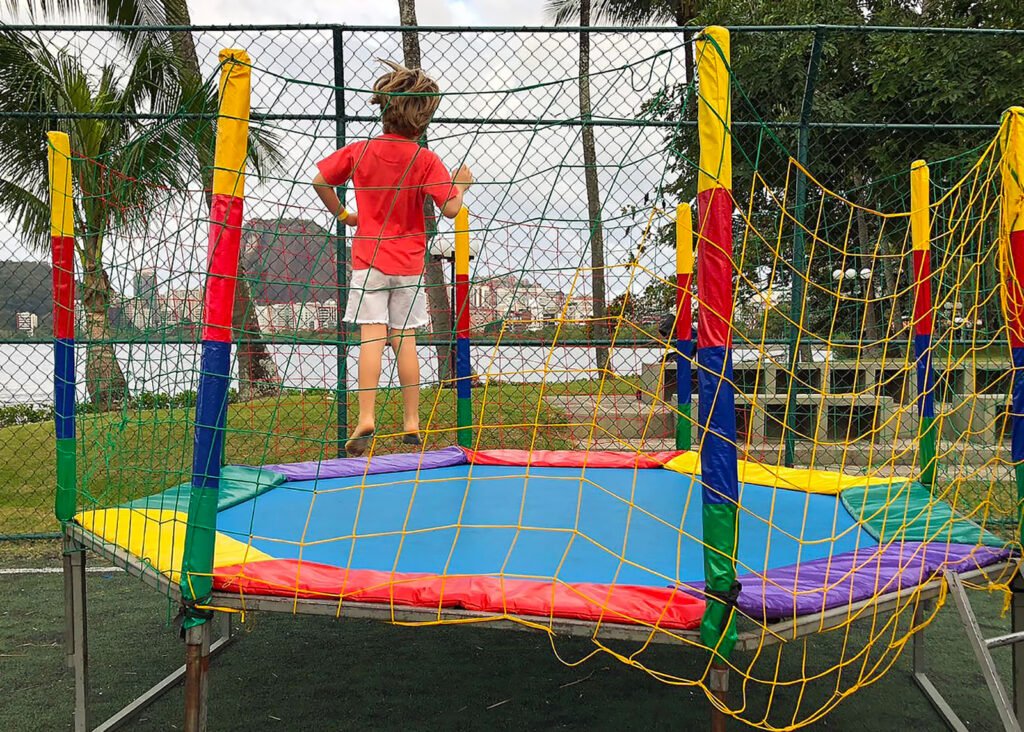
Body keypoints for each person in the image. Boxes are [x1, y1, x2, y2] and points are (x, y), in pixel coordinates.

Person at [313, 59, 473, 457]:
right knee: (405, 340)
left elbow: (320, 181)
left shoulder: (361, 150)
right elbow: (451, 209)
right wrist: (461, 184)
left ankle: (366, 416)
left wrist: (344, 215)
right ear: (422, 120)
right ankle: (411, 421)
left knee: (371, 337)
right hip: (410, 264)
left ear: (384, 110)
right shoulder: (425, 159)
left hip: (369, 260)